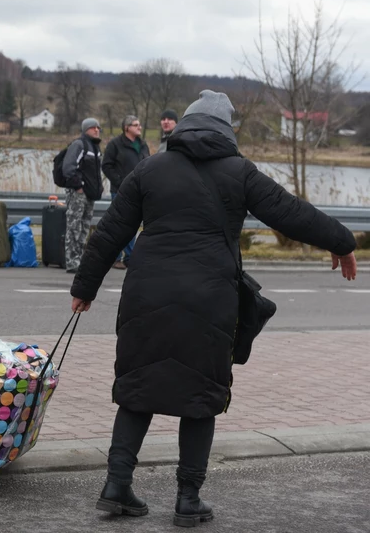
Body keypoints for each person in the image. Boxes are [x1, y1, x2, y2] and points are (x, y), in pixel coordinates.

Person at [69, 90, 357, 527]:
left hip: (146, 293)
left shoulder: (150, 168)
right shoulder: (240, 172)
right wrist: (342, 241)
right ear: (227, 129)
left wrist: (85, 287)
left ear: (182, 125)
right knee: (200, 394)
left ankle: (116, 486)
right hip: (210, 299)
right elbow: (290, 213)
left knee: (138, 387)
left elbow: (110, 232)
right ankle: (188, 499)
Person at [101, 115, 150, 269]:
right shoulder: (115, 144)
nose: (139, 127)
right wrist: (120, 182)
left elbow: (148, 164)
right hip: (120, 192)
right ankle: (115, 258)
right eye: (136, 125)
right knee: (119, 225)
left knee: (134, 226)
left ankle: (130, 258)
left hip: (139, 190)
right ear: (126, 127)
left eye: (139, 124)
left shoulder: (142, 145)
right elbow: (107, 165)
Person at [61, 117, 104, 274]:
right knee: (74, 226)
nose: (97, 130)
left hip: (90, 195)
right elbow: (68, 168)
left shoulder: (95, 148)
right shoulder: (79, 145)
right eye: (93, 127)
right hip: (78, 194)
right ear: (86, 129)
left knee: (85, 227)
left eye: (98, 127)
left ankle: (79, 259)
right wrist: (78, 187)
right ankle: (71, 261)